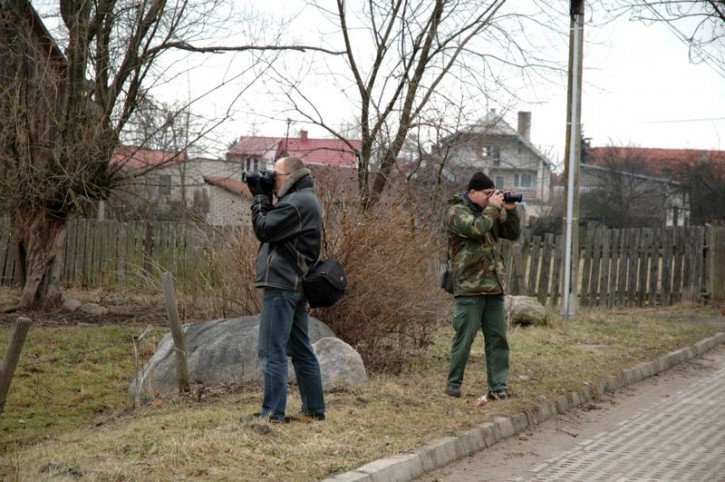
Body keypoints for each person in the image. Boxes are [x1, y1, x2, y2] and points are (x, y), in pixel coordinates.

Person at [242, 156, 326, 423]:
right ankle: (313, 409)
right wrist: (268, 197)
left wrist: (260, 198)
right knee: (300, 349)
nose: (271, 180)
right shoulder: (302, 199)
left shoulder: (297, 203)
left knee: (271, 350)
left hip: (283, 285)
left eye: (274, 175)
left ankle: (272, 413)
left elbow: (264, 228)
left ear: (289, 176)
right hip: (293, 284)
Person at [445, 171, 521, 401]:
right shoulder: (457, 212)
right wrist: (494, 208)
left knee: (498, 338)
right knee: (464, 338)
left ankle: (498, 387)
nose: (491, 198)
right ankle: (453, 385)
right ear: (472, 192)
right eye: (487, 194)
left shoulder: (492, 212)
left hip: (493, 286)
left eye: (492, 193)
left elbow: (512, 233)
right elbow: (476, 229)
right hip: (469, 287)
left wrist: (510, 210)